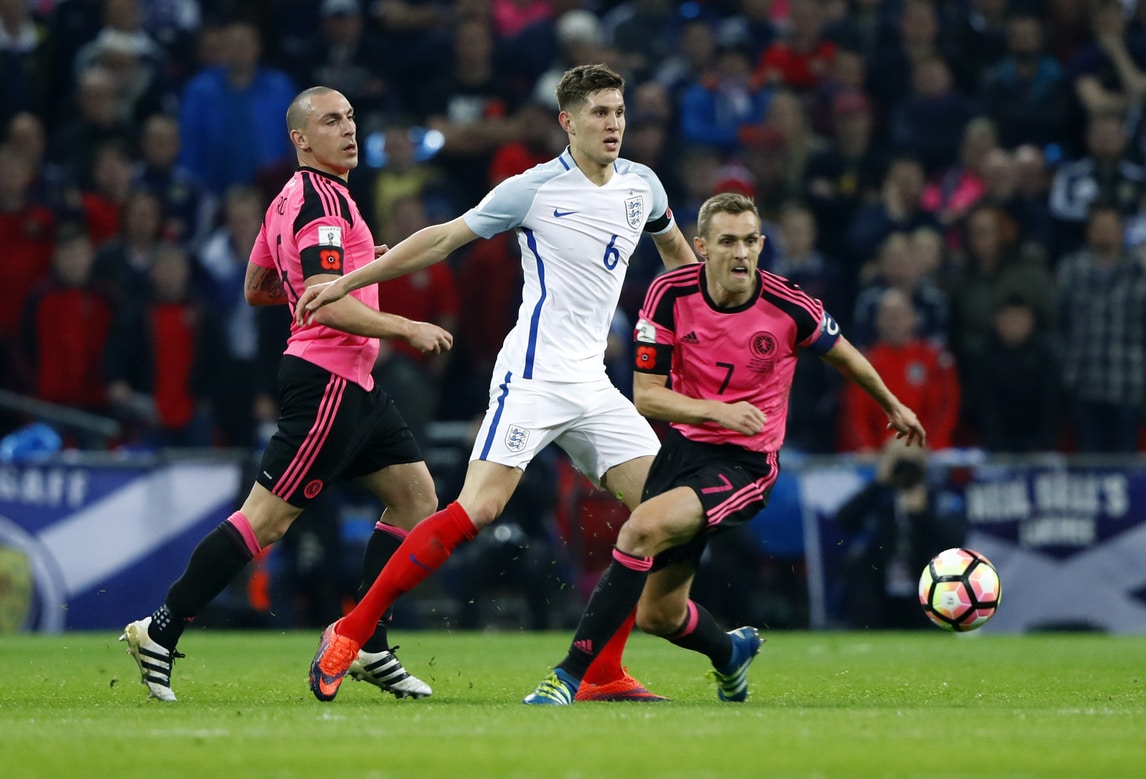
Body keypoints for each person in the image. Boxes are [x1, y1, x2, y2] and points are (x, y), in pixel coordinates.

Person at [297, 64, 698, 704]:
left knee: (664, 514)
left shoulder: (642, 186)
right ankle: (349, 630)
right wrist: (346, 281)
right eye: (599, 113)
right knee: (478, 509)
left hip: (594, 384)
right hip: (533, 376)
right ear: (567, 122)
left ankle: (602, 672)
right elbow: (442, 239)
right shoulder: (532, 189)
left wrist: (708, 322)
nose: (613, 124)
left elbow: (678, 258)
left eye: (619, 112)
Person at [522, 192, 925, 705]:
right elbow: (648, 396)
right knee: (660, 614)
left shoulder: (789, 305)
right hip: (683, 451)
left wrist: (892, 404)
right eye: (728, 241)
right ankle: (730, 652)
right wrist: (717, 410)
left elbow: (844, 355)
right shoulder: (669, 293)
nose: (741, 253)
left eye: (750, 241)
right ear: (702, 247)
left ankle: (568, 676)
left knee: (640, 528)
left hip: (744, 464)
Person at [119, 86, 454, 702]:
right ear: (300, 138)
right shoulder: (321, 201)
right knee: (265, 522)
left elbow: (258, 285)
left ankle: (366, 641)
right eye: (330, 121)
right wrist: (403, 325)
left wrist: (344, 272)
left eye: (350, 118)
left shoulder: (289, 199)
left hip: (356, 384)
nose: (348, 130)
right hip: (326, 383)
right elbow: (325, 302)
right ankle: (159, 630)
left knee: (417, 499)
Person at [833, 436, 965, 630]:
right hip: (879, 573)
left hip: (921, 573)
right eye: (898, 458)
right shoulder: (878, 494)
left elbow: (956, 541)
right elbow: (844, 520)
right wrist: (880, 482)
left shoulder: (938, 496)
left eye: (912, 458)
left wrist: (924, 513)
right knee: (859, 565)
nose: (905, 466)